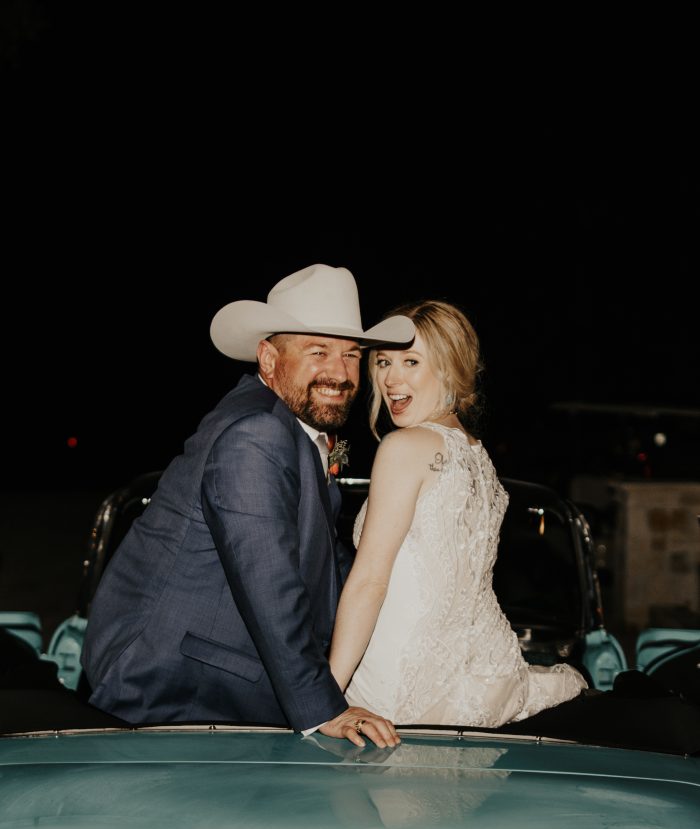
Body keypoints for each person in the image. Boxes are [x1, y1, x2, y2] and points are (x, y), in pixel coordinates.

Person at [80, 264, 414, 747]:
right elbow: (270, 583)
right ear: (268, 358)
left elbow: (324, 557)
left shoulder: (285, 424)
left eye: (352, 355)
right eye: (318, 352)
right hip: (170, 684)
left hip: (214, 674)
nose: (340, 374)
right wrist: (324, 709)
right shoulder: (254, 435)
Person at [329, 298, 589, 727]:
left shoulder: (404, 448)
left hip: (399, 685)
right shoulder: (478, 457)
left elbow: (371, 581)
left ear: (449, 368)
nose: (392, 378)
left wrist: (325, 697)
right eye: (384, 362)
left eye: (411, 361)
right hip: (482, 682)